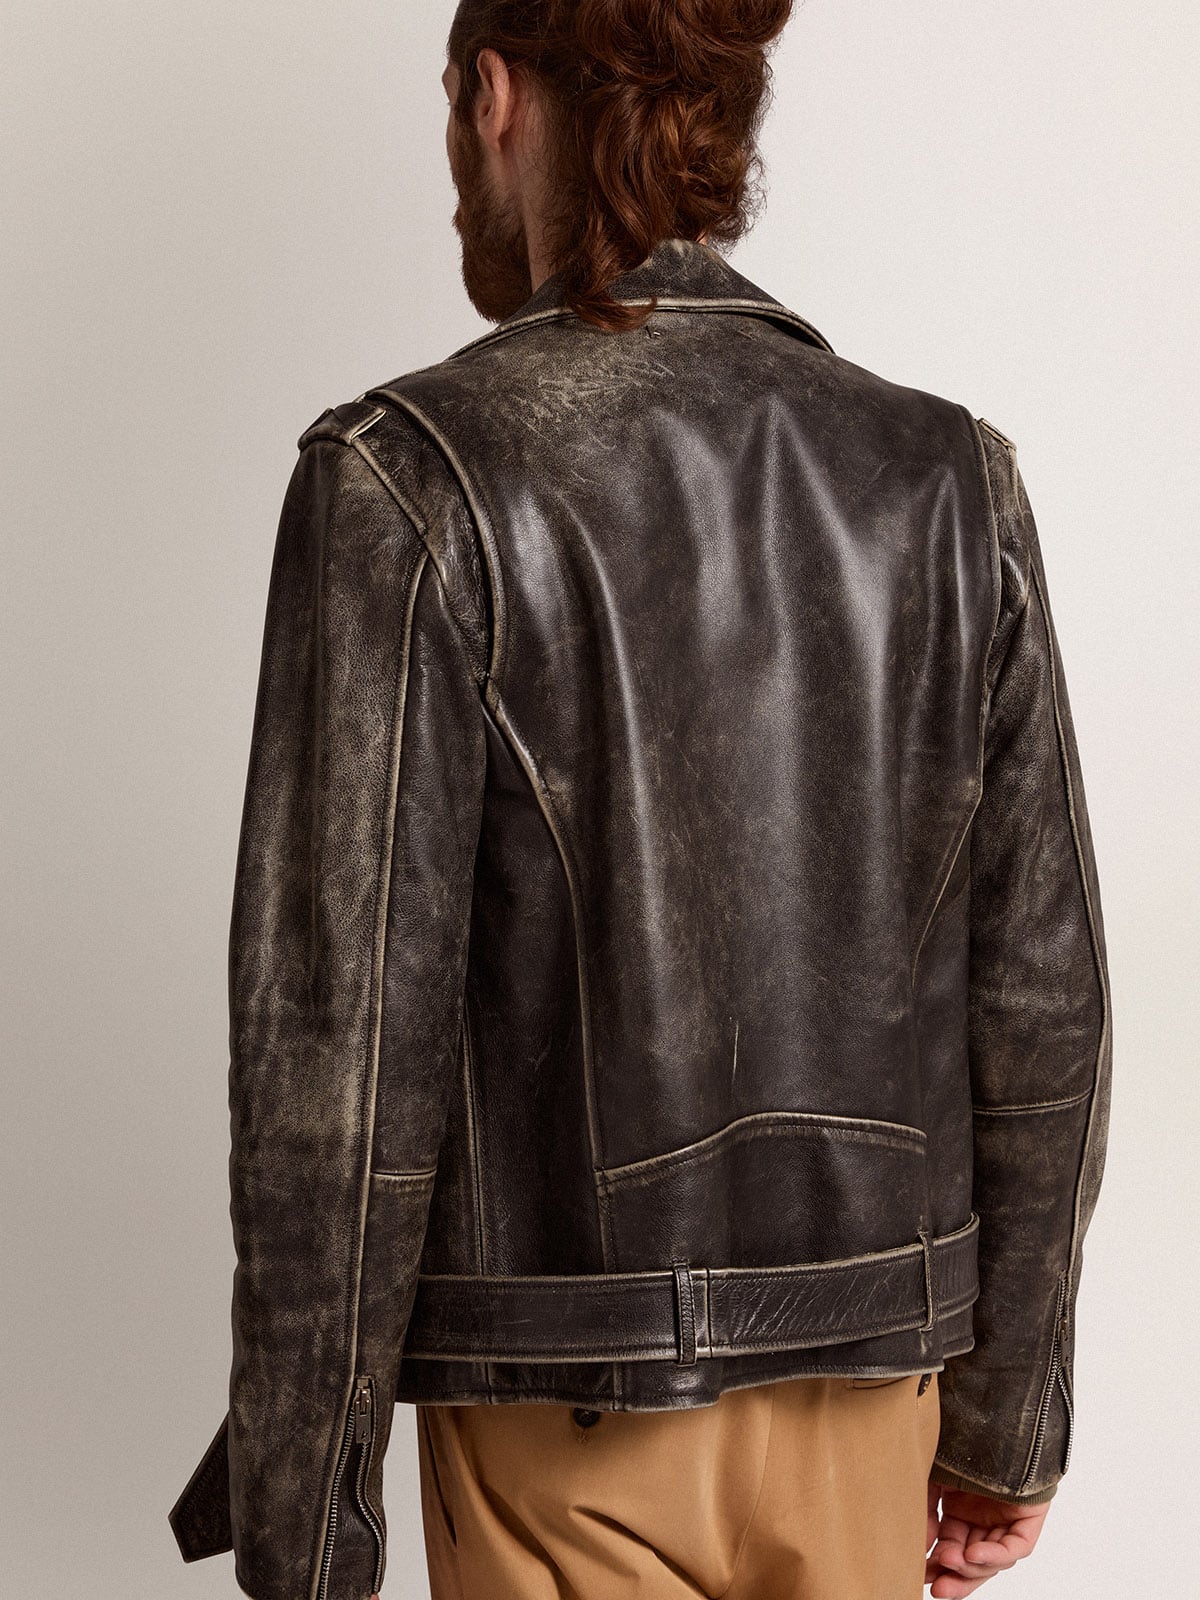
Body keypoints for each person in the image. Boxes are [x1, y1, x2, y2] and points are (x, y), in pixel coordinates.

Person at [167, 3, 1113, 1598]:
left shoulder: (410, 477)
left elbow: (336, 1071)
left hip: (561, 1419)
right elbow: (1044, 1009)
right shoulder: (951, 479)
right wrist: (1008, 1422)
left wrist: (305, 1535)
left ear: (495, 95)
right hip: (872, 1402)